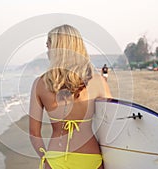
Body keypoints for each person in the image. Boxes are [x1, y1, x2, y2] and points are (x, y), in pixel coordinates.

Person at [29, 24, 112, 169]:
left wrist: (45, 159)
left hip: (56, 160)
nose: (47, 52)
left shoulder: (40, 84)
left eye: (48, 46)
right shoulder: (98, 82)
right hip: (91, 159)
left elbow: (34, 133)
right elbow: (112, 124)